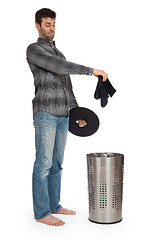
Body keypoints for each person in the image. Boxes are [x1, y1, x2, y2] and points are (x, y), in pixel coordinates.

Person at [26, 8, 108, 226]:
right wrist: (92, 71)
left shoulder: (59, 52)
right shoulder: (34, 49)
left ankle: (54, 206)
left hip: (63, 116)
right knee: (43, 163)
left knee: (57, 163)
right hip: (45, 113)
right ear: (37, 26)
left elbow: (66, 86)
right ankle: (42, 213)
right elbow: (59, 68)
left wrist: (76, 113)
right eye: (47, 24)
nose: (51, 28)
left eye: (53, 24)